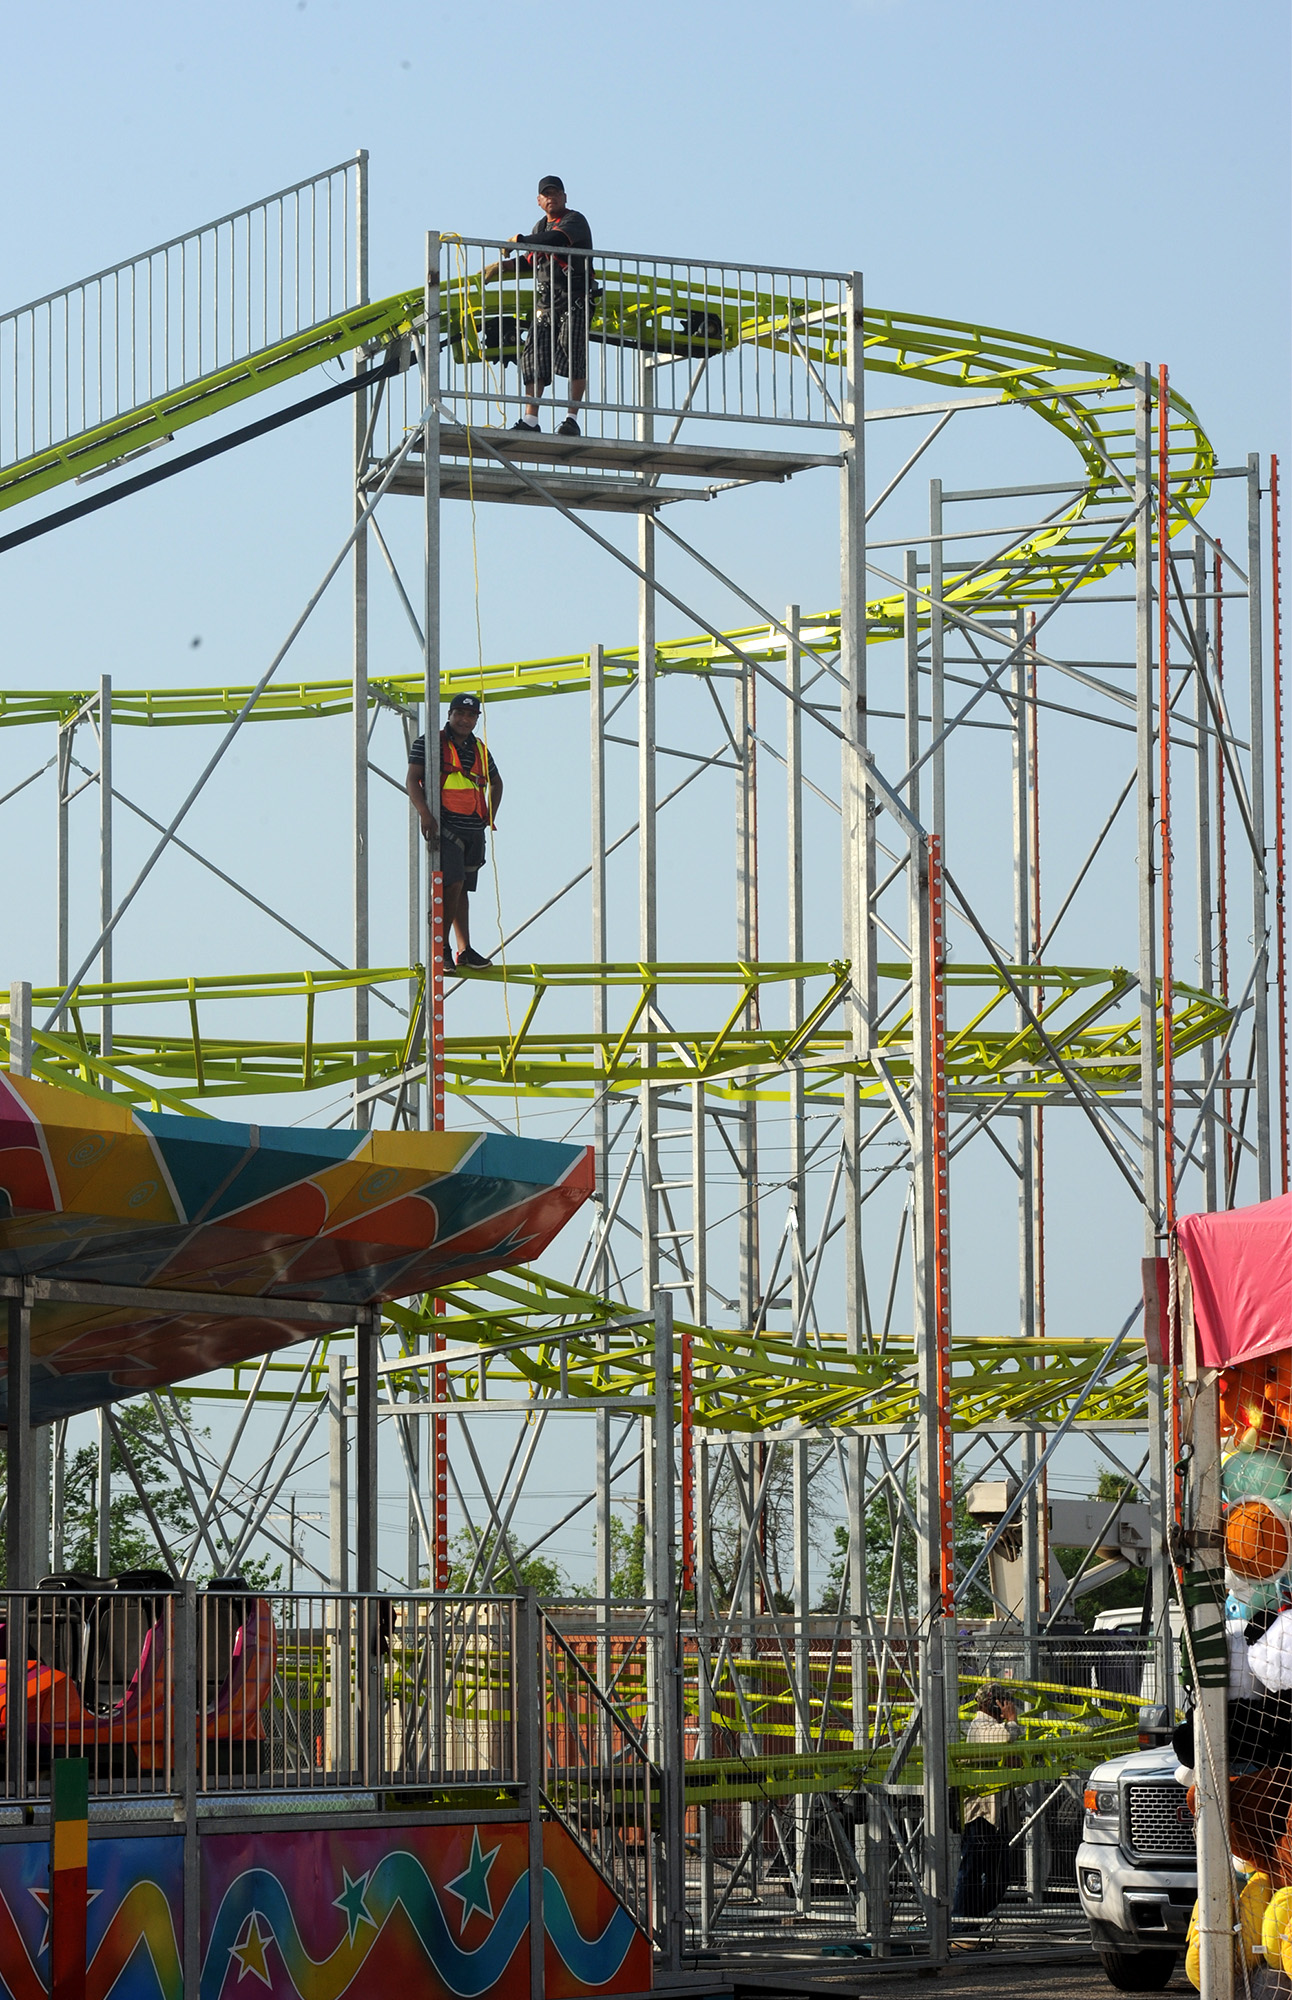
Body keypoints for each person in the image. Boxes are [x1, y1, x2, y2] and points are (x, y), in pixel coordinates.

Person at [482, 176, 594, 436]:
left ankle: (571, 419)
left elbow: (554, 240)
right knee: (533, 357)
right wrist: (504, 266)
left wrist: (521, 239)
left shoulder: (574, 220)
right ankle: (531, 420)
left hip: (574, 297)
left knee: (573, 353)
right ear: (539, 201)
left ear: (565, 197)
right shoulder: (540, 225)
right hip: (547, 301)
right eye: (546, 194)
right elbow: (533, 259)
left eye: (556, 193)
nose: (551, 197)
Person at [405, 694, 502, 970]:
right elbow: (413, 779)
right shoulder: (430, 742)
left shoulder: (480, 749)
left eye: (470, 716)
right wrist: (424, 814)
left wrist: (489, 815)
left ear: (476, 719)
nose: (464, 720)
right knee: (452, 883)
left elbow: (496, 782)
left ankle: (464, 950)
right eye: (459, 714)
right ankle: (442, 947)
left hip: (472, 828)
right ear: (450, 714)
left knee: (462, 891)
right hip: (445, 826)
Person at [952, 1682, 1021, 1947]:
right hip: (981, 1811)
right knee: (972, 1868)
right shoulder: (981, 1727)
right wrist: (1012, 1721)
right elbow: (1004, 1739)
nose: (1006, 1705)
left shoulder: (998, 1728)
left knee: (1000, 1873)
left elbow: (1013, 1756)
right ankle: (961, 1924)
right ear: (988, 1703)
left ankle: (973, 1919)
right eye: (1002, 1700)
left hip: (998, 1810)